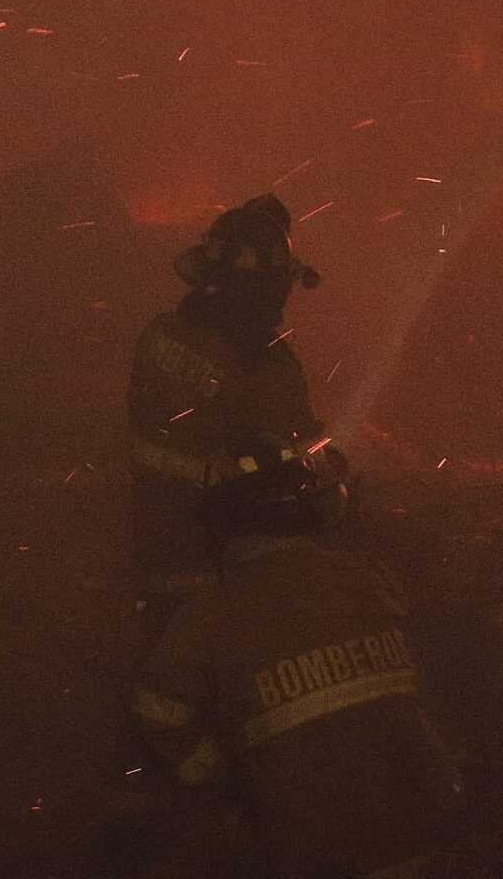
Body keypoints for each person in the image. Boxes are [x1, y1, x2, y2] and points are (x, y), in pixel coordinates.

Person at [129, 441, 463, 879]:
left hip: (317, 864)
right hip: (428, 829)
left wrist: (219, 779)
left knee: (189, 844)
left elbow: (157, 713)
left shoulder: (211, 616)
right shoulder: (369, 582)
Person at [127, 194, 343, 639]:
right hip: (220, 573)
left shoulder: (159, 333)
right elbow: (301, 461)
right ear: (270, 286)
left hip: (140, 548)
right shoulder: (264, 368)